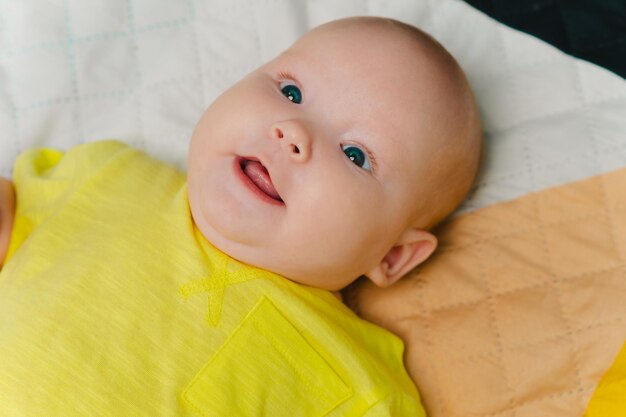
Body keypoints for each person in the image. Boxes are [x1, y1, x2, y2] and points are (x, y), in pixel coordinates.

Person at [0, 16, 481, 416]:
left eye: (355, 154)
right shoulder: (108, 175)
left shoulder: (356, 383)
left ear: (394, 255)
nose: (292, 131)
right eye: (290, 92)